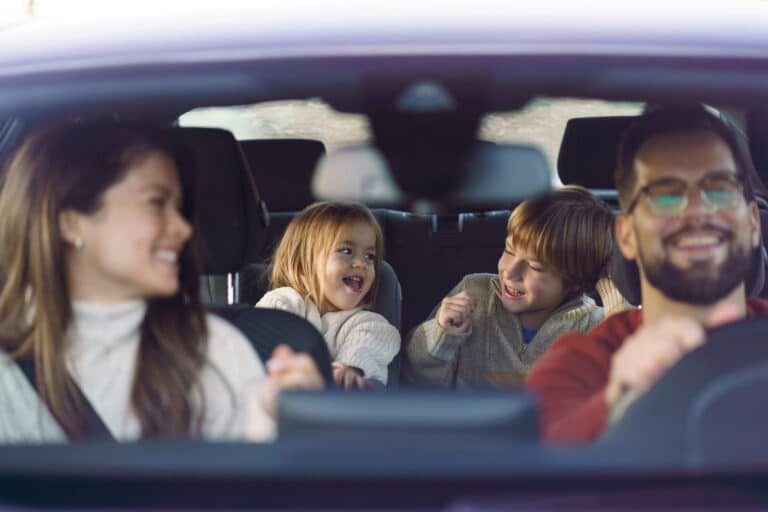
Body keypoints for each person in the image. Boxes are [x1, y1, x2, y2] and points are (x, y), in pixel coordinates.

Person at [0, 123, 323, 443]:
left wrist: (276, 426)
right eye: (157, 202)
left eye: (180, 209)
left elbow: (248, 490)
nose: (184, 229)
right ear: (70, 223)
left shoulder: (211, 351)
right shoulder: (8, 370)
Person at [525, 105, 768, 444]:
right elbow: (540, 465)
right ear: (626, 235)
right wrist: (616, 401)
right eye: (666, 194)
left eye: (719, 188)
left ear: (754, 222)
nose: (697, 209)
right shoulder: (578, 364)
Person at [402, 185, 627, 389]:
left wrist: (617, 300)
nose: (510, 271)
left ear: (576, 281)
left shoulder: (596, 327)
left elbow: (629, 387)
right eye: (509, 251)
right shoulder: (474, 292)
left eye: (535, 266)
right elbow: (417, 381)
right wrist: (442, 334)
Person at [256, 202, 400, 390]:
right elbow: (266, 340)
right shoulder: (283, 301)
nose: (361, 263)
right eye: (346, 251)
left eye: (369, 256)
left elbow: (365, 348)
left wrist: (351, 369)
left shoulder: (369, 323)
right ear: (302, 268)